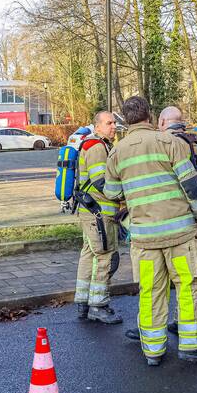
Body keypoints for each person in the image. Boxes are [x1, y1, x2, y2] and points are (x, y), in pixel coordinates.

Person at [104, 96, 197, 366]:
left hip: (144, 240)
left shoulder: (117, 153)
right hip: (180, 237)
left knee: (150, 290)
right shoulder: (171, 144)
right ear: (150, 117)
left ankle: (153, 351)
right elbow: (192, 186)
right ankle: (192, 348)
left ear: (125, 120)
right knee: (188, 287)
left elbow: (111, 192)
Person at [73, 110, 122, 325]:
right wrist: (123, 195)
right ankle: (98, 306)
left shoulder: (93, 144)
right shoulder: (95, 146)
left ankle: (83, 302)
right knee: (106, 256)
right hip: (99, 213)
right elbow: (100, 181)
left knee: (89, 254)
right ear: (97, 126)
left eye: (114, 123)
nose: (114, 127)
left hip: (90, 212)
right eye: (109, 123)